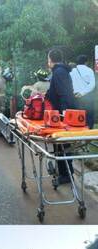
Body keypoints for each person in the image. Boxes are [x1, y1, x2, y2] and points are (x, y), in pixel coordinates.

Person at [46, 49, 77, 184]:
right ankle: (66, 172)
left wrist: (64, 114)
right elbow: (57, 92)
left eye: (48, 59)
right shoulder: (60, 72)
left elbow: (64, 94)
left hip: (62, 115)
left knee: (62, 145)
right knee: (61, 145)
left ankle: (66, 175)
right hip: (59, 114)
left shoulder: (59, 72)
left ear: (51, 59)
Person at [70, 55, 96, 128]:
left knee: (77, 117)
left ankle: (78, 134)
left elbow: (70, 84)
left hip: (75, 97)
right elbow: (92, 85)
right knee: (89, 117)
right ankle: (88, 135)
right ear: (86, 62)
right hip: (87, 98)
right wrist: (82, 93)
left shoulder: (72, 71)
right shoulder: (89, 70)